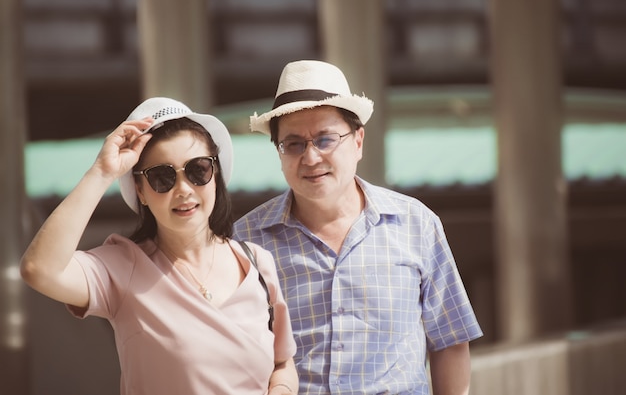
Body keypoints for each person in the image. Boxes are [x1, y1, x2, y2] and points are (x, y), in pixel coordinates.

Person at [233, 60, 483, 395]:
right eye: (294, 144)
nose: (310, 158)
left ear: (358, 141)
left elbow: (450, 340)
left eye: (325, 139)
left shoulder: (416, 224)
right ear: (279, 153)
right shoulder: (245, 241)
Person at [20, 97, 299, 395]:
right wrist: (102, 172)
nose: (183, 189)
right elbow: (40, 269)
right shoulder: (124, 266)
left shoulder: (257, 262)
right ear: (140, 190)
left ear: (215, 174)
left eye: (198, 170)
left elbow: (282, 362)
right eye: (162, 177)